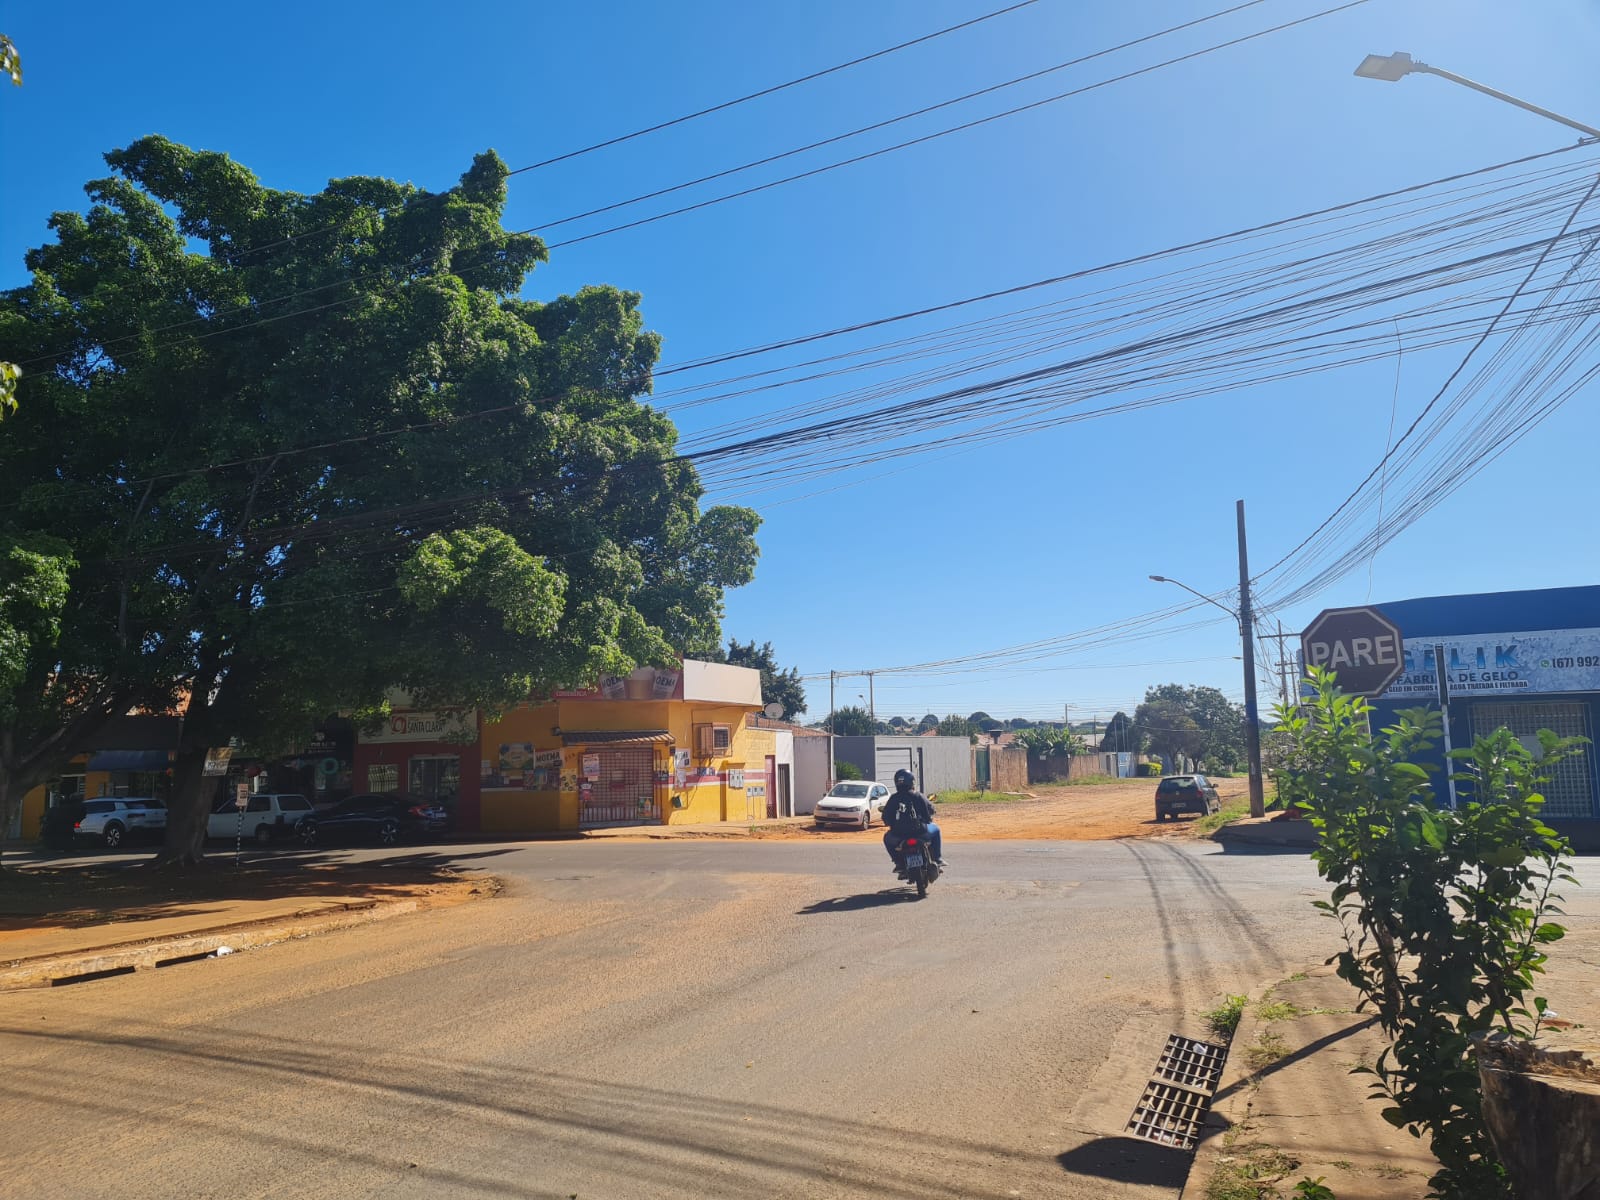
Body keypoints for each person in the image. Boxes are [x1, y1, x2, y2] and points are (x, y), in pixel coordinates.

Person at [882, 768, 943, 872]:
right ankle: (937, 859)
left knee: (886, 838)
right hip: (920, 832)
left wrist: (891, 824)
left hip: (898, 836)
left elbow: (885, 817)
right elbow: (930, 810)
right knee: (936, 830)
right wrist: (928, 818)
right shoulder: (918, 796)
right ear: (912, 781)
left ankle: (899, 862)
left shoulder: (893, 798)